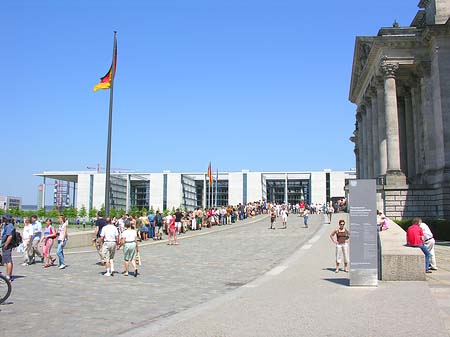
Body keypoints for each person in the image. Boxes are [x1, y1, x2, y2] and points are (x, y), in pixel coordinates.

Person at [1, 215, 15, 281]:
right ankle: (8, 274)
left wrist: (6, 245)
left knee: (8, 260)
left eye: (4, 218)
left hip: (7, 245)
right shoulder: (6, 225)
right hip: (5, 244)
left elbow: (10, 236)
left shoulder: (9, 226)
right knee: (7, 260)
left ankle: (8, 276)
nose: (3, 219)